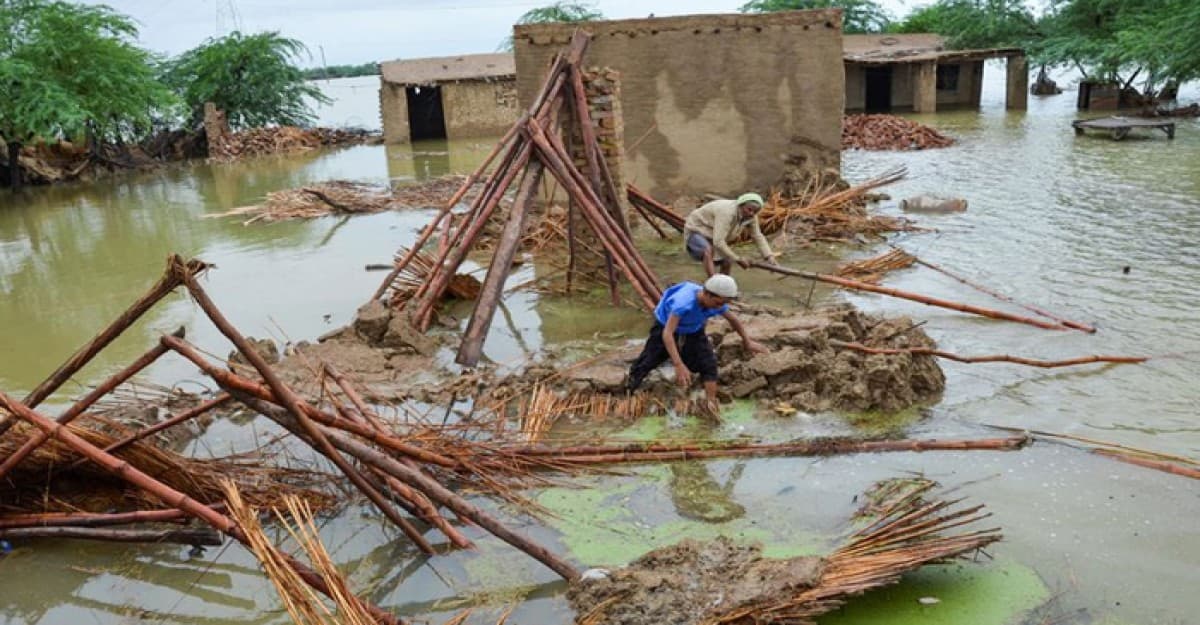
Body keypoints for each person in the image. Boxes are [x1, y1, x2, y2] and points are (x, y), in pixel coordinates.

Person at [625, 274, 768, 414]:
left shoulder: (716, 303)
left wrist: (747, 341)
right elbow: (667, 334)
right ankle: (628, 391)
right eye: (718, 303)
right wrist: (678, 364)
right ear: (707, 294)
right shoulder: (683, 303)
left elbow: (733, 319)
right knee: (648, 361)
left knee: (708, 362)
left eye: (724, 303)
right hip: (665, 326)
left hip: (694, 329)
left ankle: (711, 403)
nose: (720, 307)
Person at [683, 192, 777, 276]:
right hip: (697, 229)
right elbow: (718, 242)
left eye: (755, 212)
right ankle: (713, 284)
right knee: (708, 251)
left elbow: (757, 236)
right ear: (741, 205)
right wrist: (738, 259)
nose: (751, 213)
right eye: (749, 209)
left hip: (714, 234)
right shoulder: (727, 213)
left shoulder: (751, 217)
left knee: (727, 260)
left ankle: (724, 287)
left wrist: (769, 256)